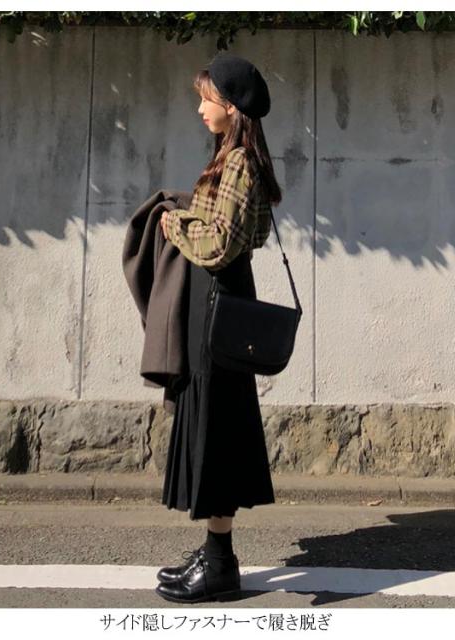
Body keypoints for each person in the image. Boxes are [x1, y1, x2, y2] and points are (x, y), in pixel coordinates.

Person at [155, 52, 282, 604]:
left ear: (230, 106)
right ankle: (214, 553)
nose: (200, 108)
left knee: (218, 433)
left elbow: (218, 245)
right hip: (220, 304)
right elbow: (240, 234)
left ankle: (220, 563)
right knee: (215, 427)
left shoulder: (239, 164)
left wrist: (175, 224)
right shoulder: (232, 157)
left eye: (206, 99)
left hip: (220, 306)